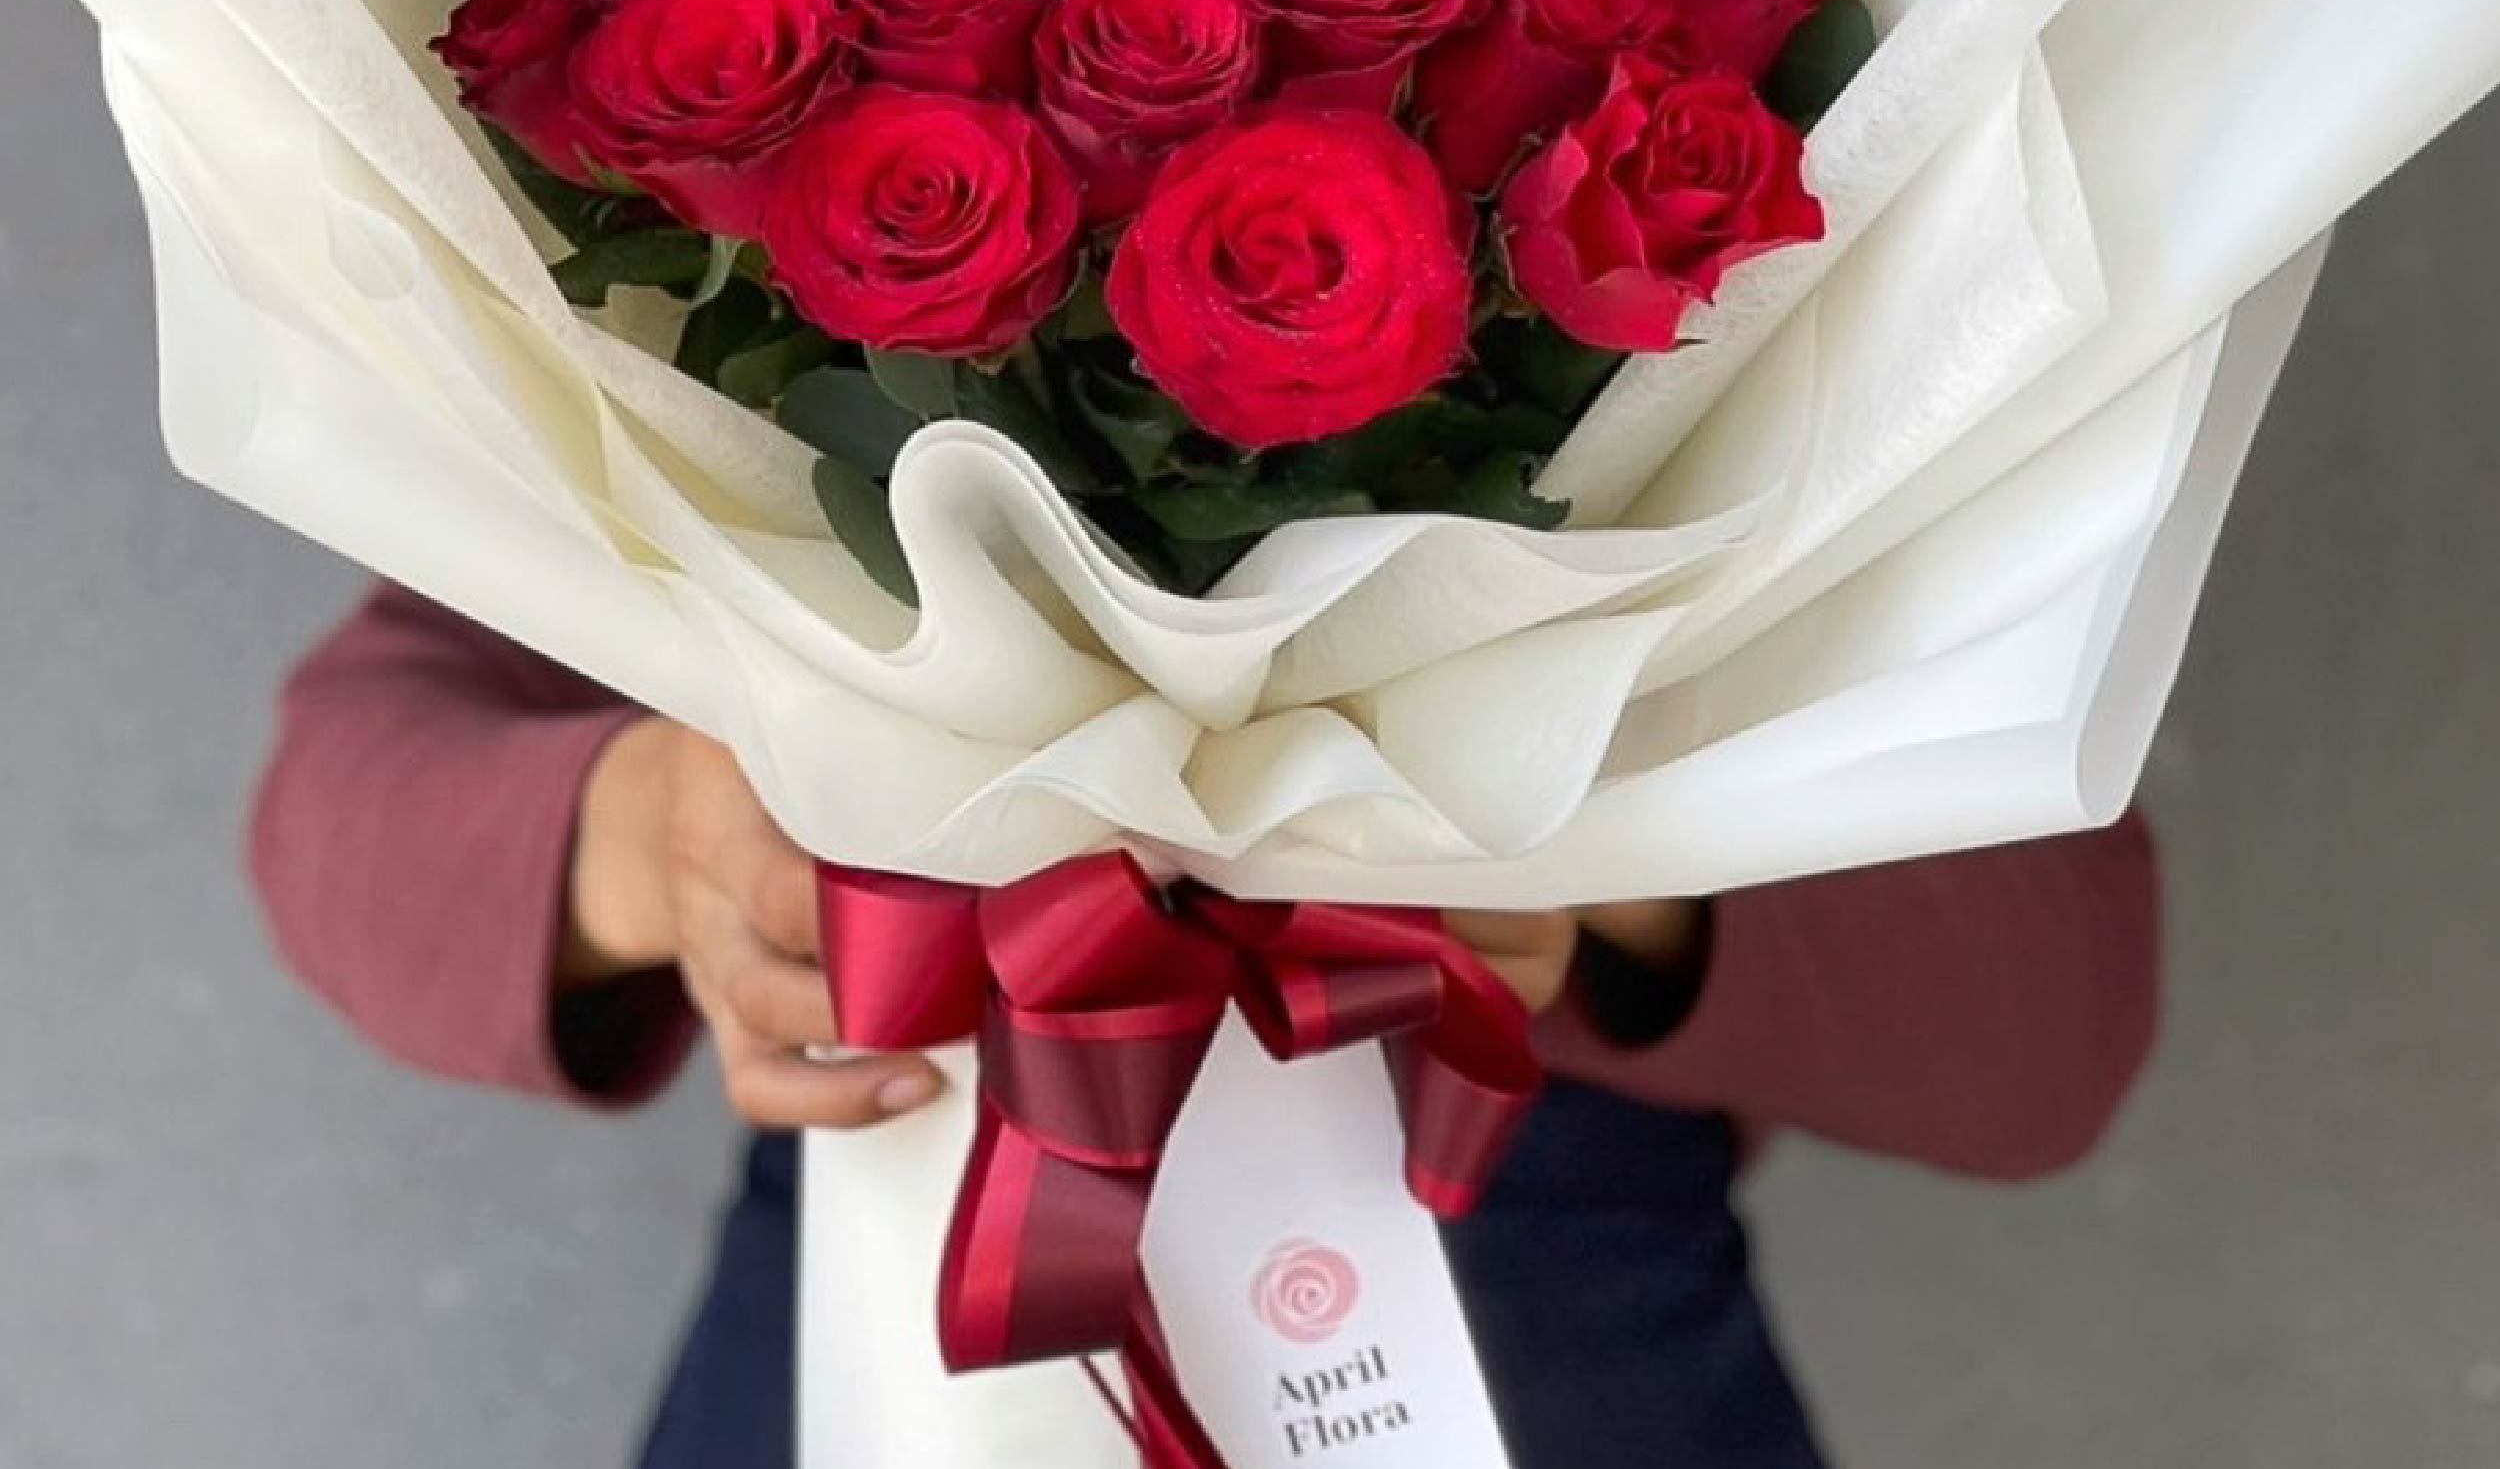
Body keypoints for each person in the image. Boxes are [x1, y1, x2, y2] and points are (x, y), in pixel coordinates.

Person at [249, 580, 2160, 1469]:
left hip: (1547, 1294)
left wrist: (1615, 863)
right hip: (895, 1251)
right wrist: (644, 839)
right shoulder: (722, 287)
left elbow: (2048, 1023)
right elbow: (340, 793)